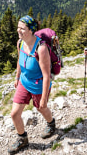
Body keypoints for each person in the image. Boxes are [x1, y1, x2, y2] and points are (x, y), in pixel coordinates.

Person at [8, 15, 56, 154]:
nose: (18, 31)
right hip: (24, 81)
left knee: (42, 108)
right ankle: (22, 139)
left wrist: (43, 98)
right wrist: (17, 76)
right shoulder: (20, 43)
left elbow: (47, 75)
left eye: (22, 28)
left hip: (38, 85)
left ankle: (51, 123)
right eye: (18, 28)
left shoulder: (41, 48)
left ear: (30, 30)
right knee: (14, 114)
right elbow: (19, 59)